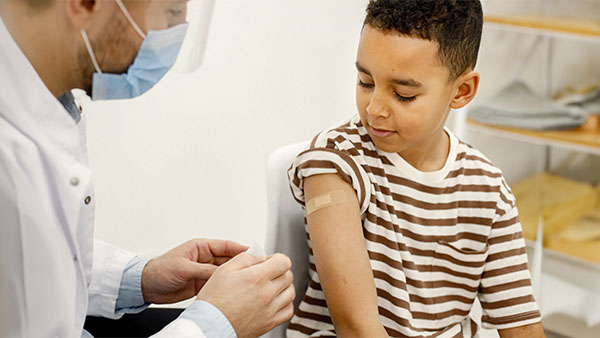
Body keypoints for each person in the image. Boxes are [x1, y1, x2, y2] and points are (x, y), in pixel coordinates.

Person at [0, 0, 294, 337]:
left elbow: (35, 267)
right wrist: (216, 325)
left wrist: (139, 279)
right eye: (171, 12)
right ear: (85, 4)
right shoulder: (9, 164)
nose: (174, 35)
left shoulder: (42, 97)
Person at [286, 0, 545, 337]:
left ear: (461, 91)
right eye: (365, 82)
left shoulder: (488, 190)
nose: (375, 108)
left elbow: (520, 324)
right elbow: (356, 326)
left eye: (403, 94)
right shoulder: (334, 162)